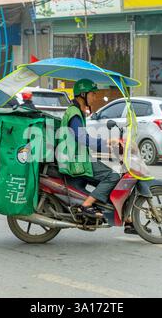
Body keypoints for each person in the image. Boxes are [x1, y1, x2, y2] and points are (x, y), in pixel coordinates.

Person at [58, 79, 122, 220]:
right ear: (83, 94)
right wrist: (106, 143)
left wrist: (106, 147)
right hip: (76, 161)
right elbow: (83, 139)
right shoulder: (74, 114)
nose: (94, 98)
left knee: (106, 170)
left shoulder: (77, 112)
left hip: (78, 157)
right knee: (113, 175)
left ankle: (123, 217)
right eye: (92, 94)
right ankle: (86, 206)